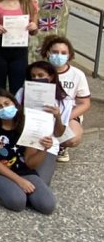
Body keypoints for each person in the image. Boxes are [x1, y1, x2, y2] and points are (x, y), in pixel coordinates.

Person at [0, 90, 56, 214]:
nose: (4, 108)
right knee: (17, 202)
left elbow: (30, 163)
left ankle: (22, 193)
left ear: (14, 104)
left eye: (7, 103)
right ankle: (5, 188)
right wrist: (19, 181)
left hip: (22, 169)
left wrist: (44, 149)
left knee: (47, 205)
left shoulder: (26, 124)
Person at [14, 61, 70, 185]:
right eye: (33, 76)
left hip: (47, 142)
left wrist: (58, 116)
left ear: (51, 77)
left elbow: (59, 133)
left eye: (41, 75)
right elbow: (14, 123)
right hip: (24, 138)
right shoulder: (22, 93)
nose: (36, 79)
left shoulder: (64, 100)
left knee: (41, 183)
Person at [40, 35, 90, 163]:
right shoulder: (38, 71)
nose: (59, 55)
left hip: (68, 114)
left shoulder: (77, 75)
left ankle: (62, 145)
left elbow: (85, 103)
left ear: (69, 55)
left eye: (63, 53)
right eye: (55, 52)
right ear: (47, 53)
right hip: (42, 112)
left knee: (72, 139)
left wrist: (63, 117)